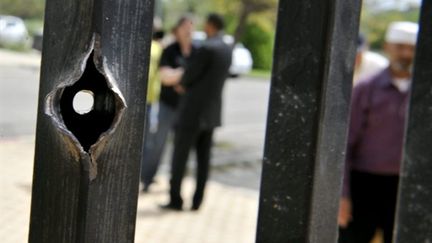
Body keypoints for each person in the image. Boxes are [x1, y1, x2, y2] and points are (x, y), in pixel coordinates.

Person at [338, 21, 419, 243]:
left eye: (412, 48)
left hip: (407, 186)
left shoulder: (424, 95)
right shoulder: (366, 88)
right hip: (364, 184)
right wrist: (343, 195)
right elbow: (344, 145)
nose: (406, 53)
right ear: (387, 47)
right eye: (400, 46)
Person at [160, 13, 232, 211]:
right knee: (203, 162)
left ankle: (176, 200)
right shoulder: (227, 49)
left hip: (191, 113)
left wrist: (181, 83)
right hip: (212, 114)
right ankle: (197, 201)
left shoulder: (207, 48)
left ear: (210, 25)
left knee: (180, 159)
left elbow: (189, 75)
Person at [141, 15, 196, 192]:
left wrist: (179, 78)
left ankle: (175, 184)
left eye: (191, 28)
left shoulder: (197, 51)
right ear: (177, 29)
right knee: (158, 144)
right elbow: (165, 78)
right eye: (185, 27)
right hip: (168, 105)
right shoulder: (170, 50)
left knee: (182, 149)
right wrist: (187, 75)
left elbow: (199, 77)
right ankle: (147, 179)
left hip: (187, 107)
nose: (188, 31)